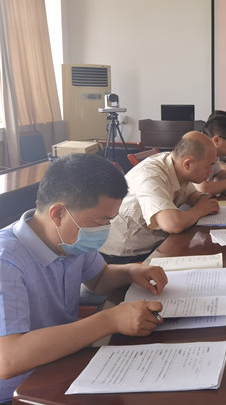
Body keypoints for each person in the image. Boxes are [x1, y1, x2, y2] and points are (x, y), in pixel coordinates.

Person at [0, 154, 168, 403]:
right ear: (58, 213)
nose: (105, 229)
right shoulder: (7, 261)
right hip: (21, 391)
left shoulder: (70, 239)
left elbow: (99, 279)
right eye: (101, 221)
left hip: (60, 362)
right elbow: (8, 359)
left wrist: (132, 271)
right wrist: (110, 320)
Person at [99, 131, 220, 264]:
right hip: (128, 255)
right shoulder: (151, 175)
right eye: (208, 166)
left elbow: (192, 195)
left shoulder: (176, 165)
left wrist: (201, 200)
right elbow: (172, 224)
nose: (210, 172)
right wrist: (200, 209)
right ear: (188, 164)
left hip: (157, 243)